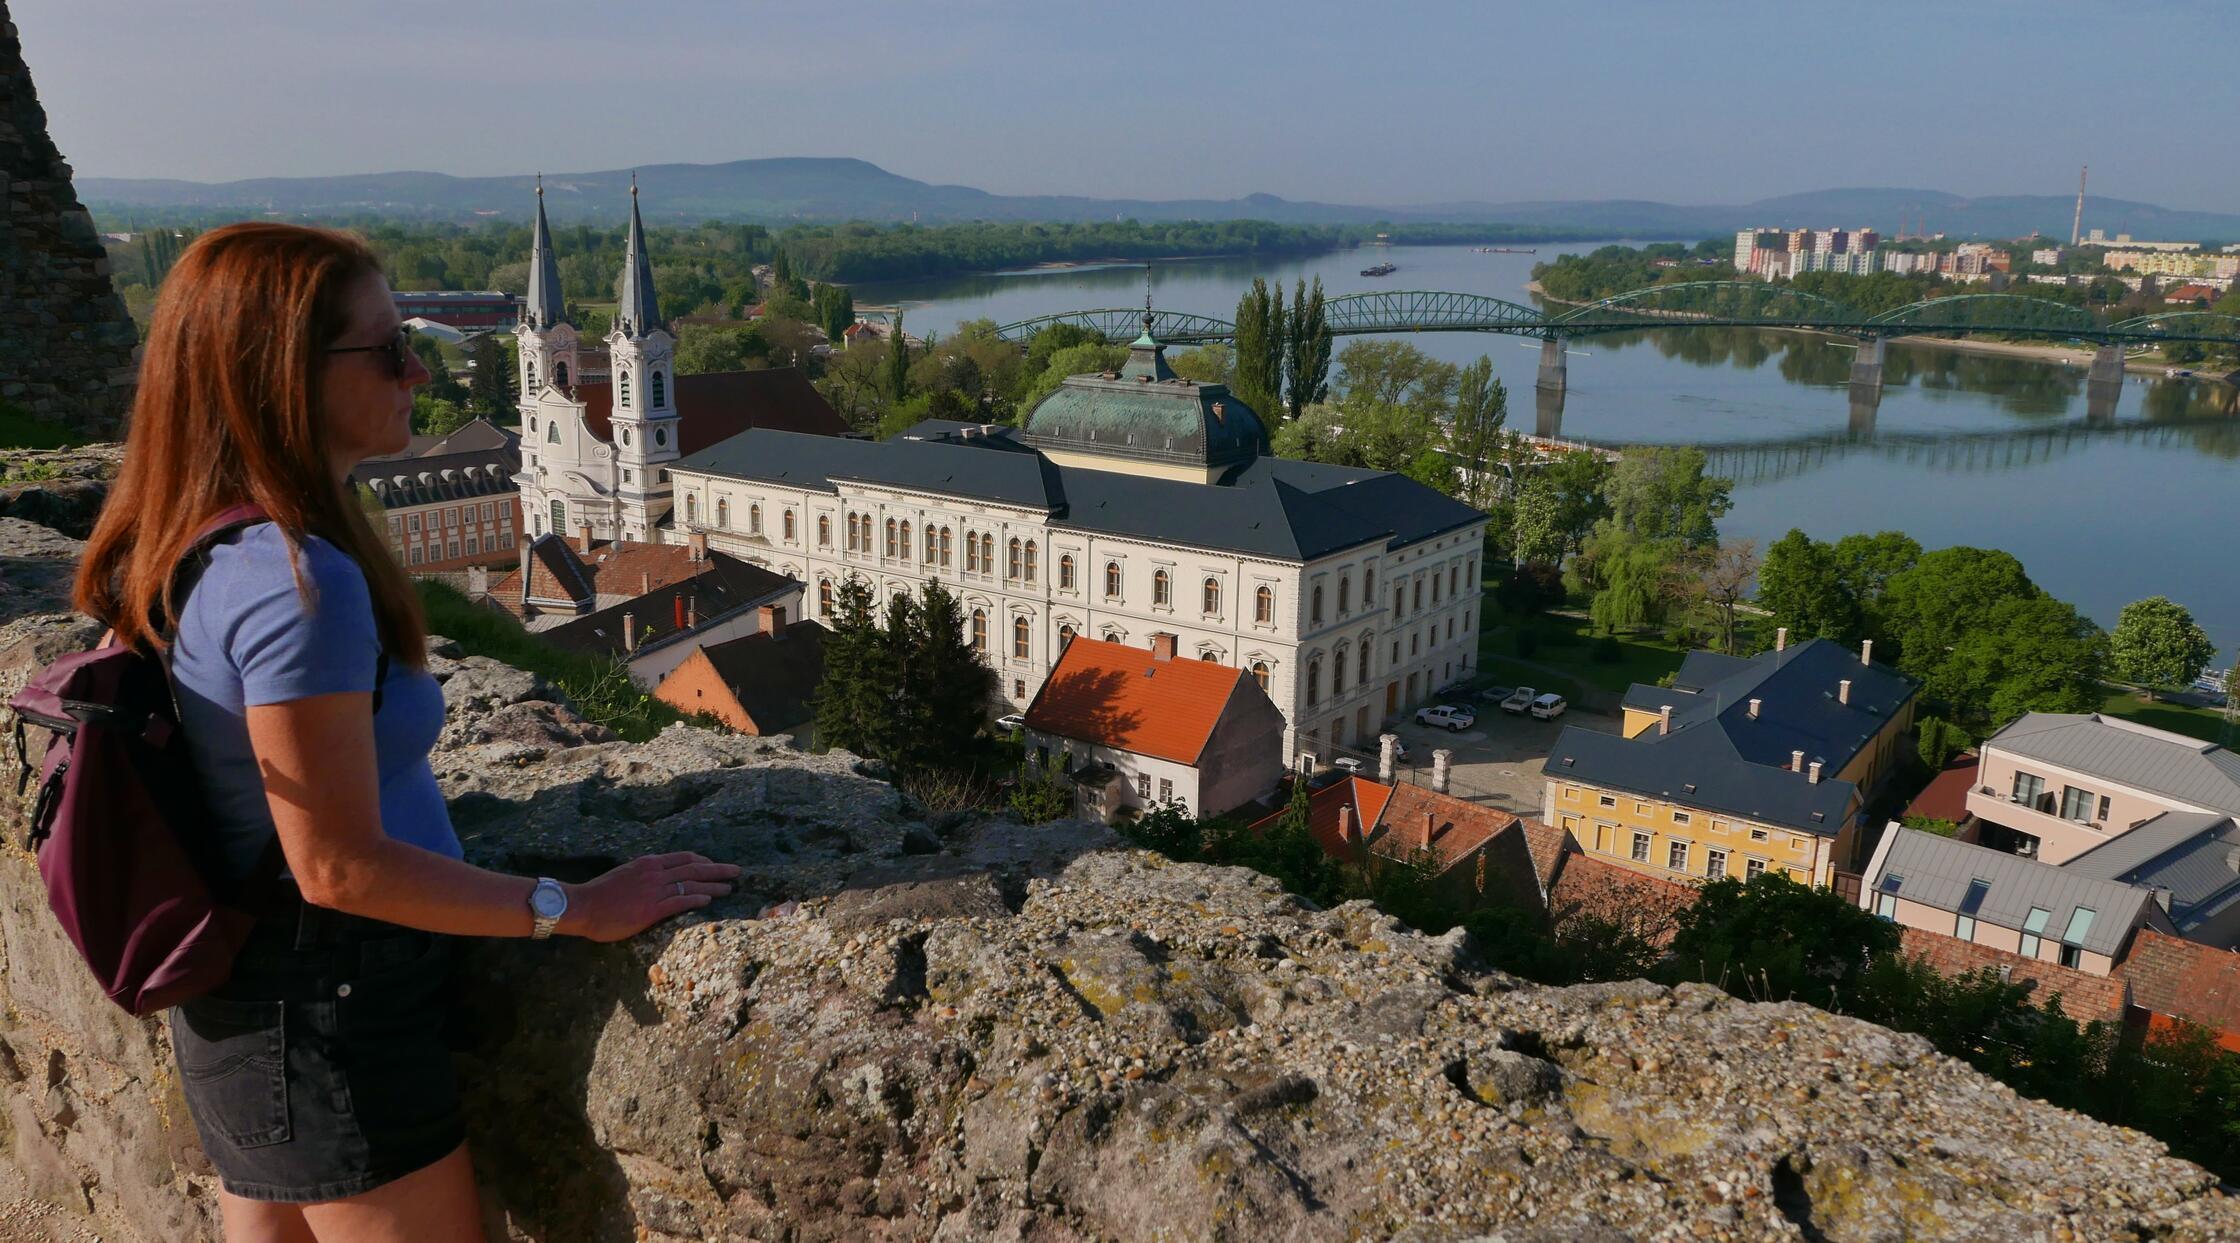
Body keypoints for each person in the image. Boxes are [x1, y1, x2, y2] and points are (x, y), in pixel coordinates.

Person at [73, 223, 741, 1242]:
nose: (420, 369)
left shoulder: (197, 536)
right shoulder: (299, 580)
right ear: (279, 374)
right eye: (386, 349)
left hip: (248, 1006)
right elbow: (334, 864)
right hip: (331, 1013)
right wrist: (577, 906)